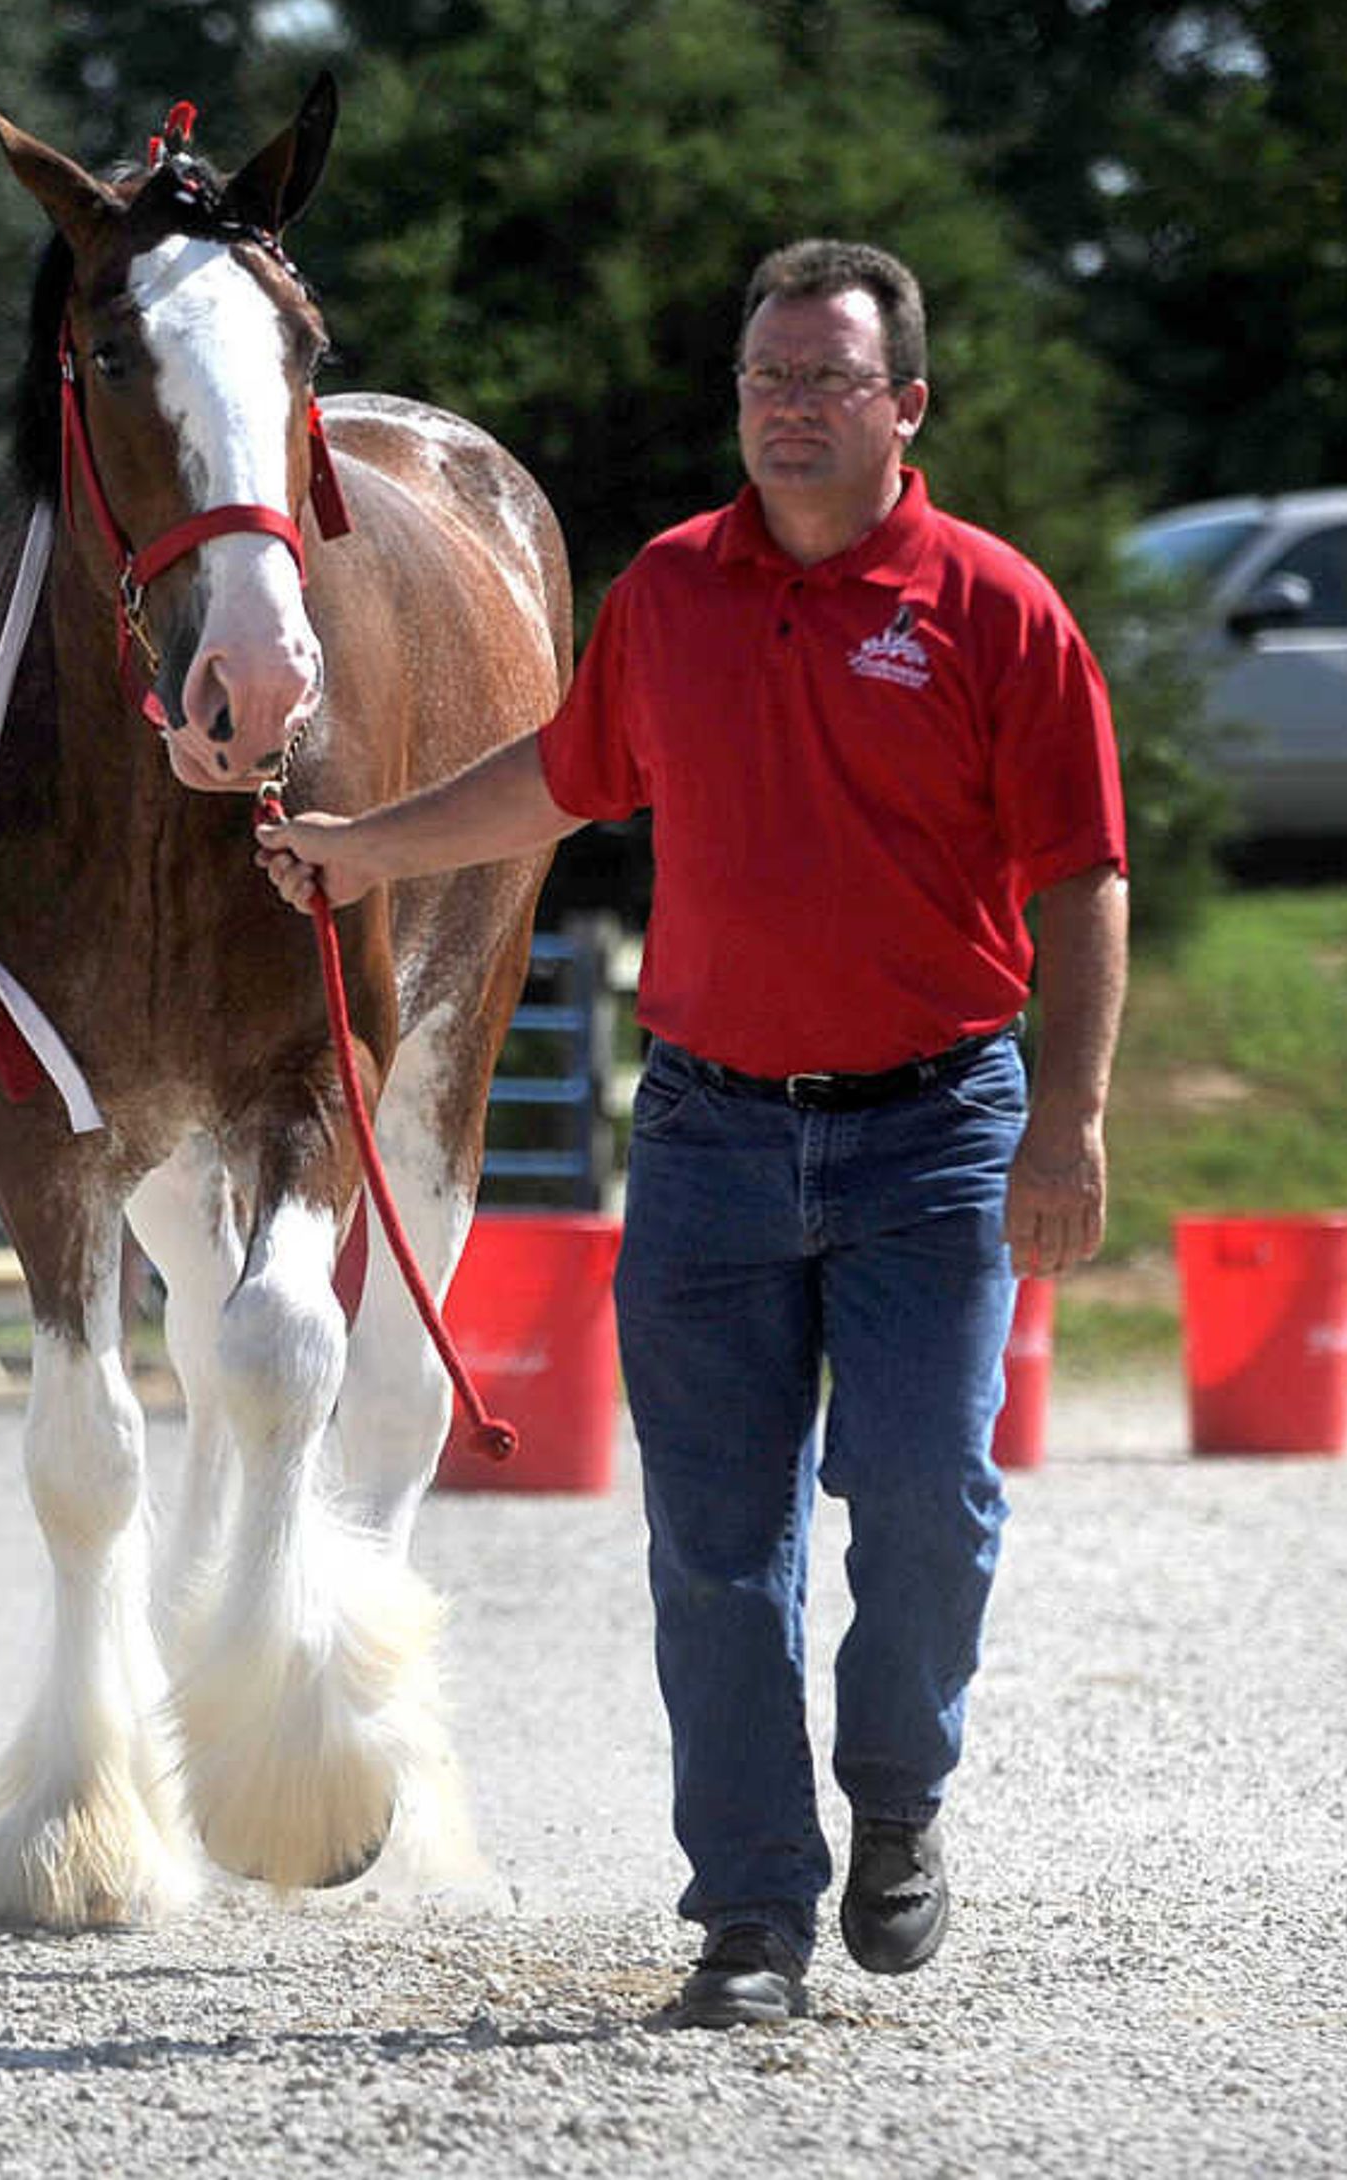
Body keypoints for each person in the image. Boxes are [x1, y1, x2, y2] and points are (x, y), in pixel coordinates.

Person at [255, 240, 1129, 2031]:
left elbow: (1088, 876)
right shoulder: (669, 591)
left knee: (926, 1501)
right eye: (765, 379)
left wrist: (1077, 1123)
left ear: (908, 405)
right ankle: (749, 1915)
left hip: (938, 1135)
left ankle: (897, 1800)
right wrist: (361, 845)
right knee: (716, 1545)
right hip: (715, 1138)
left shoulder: (995, 607)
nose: (790, 409)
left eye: (827, 379)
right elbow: (561, 779)